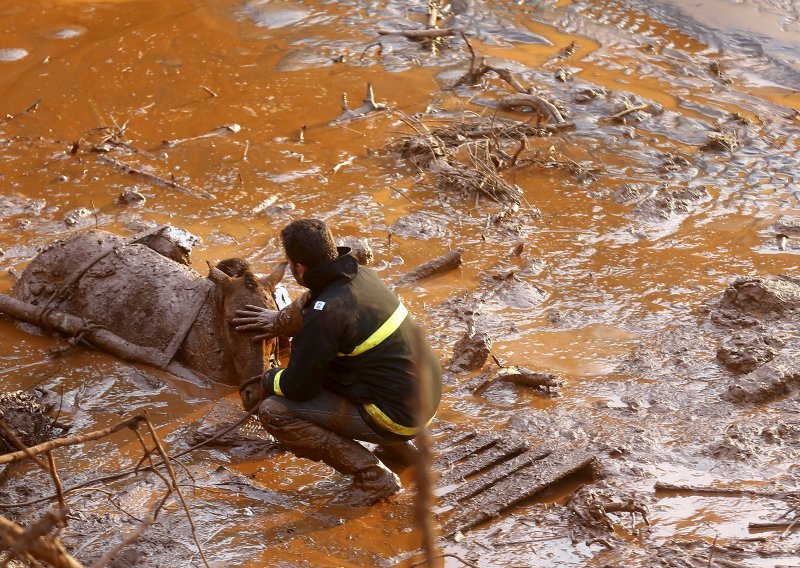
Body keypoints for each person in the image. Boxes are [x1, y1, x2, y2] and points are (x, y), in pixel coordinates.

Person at [233, 219, 442, 507]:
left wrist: (266, 380)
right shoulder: (360, 277)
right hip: (423, 399)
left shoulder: (326, 314)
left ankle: (372, 476)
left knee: (275, 410)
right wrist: (280, 321)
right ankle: (402, 451)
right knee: (357, 368)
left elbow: (298, 387)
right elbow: (311, 301)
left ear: (298, 268)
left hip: (396, 416)